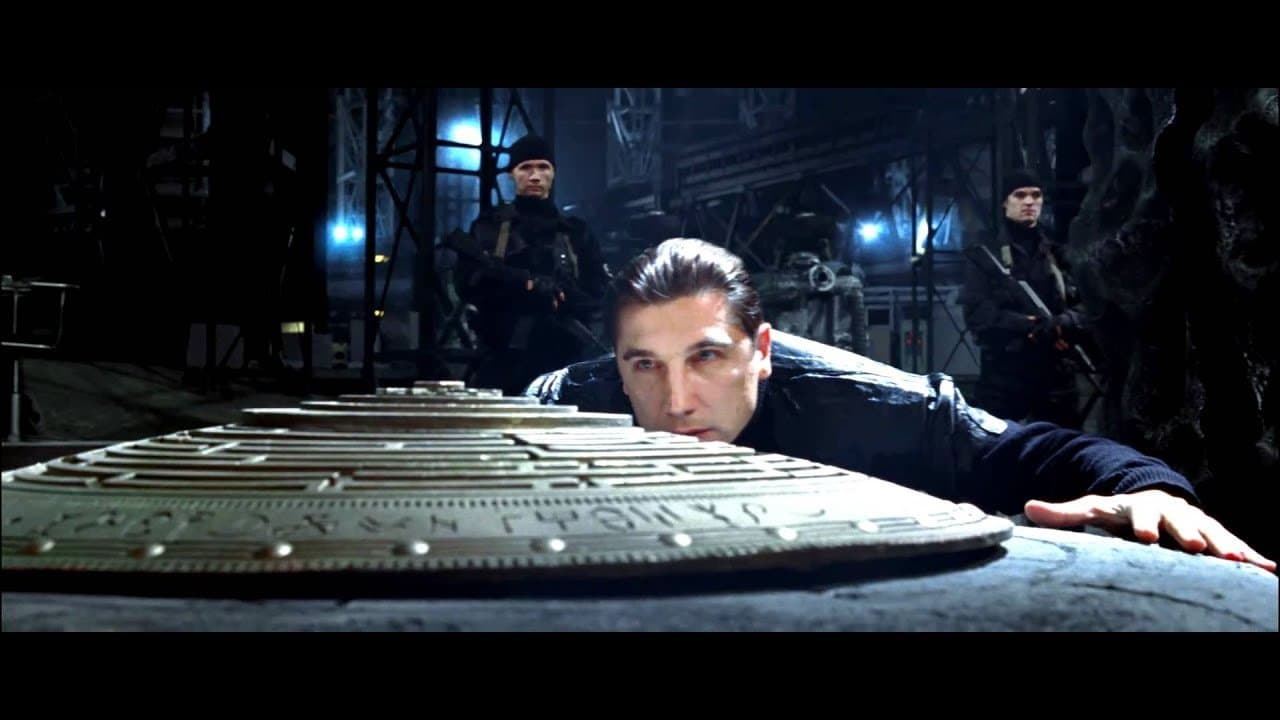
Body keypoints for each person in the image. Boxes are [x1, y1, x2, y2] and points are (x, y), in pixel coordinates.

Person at [525, 237, 1275, 572]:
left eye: (707, 357)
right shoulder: (564, 407)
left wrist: (1145, 488)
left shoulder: (877, 408)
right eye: (645, 366)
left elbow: (1032, 449)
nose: (676, 401)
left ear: (763, 350)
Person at [446, 133, 611, 395]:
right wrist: (525, 286)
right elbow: (468, 283)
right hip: (504, 356)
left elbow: (599, 290)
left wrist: (563, 295)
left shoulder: (575, 232)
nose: (535, 176)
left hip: (565, 354)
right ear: (512, 174)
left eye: (543, 167)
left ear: (553, 173)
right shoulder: (492, 227)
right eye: (525, 168)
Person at [960, 169, 1089, 428]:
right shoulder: (987, 254)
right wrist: (1028, 326)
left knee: (1063, 446)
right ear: (1005, 202)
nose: (1029, 202)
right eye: (1020, 195)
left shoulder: (1056, 252)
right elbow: (977, 313)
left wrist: (1062, 323)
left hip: (1055, 375)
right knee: (997, 444)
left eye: (1036, 195)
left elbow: (1087, 306)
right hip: (1005, 374)